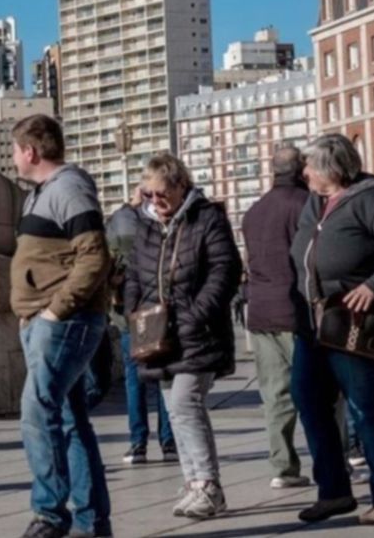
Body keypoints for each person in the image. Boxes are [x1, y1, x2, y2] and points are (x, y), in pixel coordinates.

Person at [288, 134, 374, 526]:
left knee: (367, 408)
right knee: (308, 398)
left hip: (353, 323)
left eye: (310, 166)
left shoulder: (371, 198)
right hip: (312, 325)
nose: (305, 173)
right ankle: (333, 490)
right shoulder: (315, 204)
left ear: (331, 169)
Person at [8, 115, 112, 538]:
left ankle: (50, 515)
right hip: (41, 320)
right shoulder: (41, 194)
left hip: (63, 321)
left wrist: (55, 310)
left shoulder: (69, 188)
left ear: (30, 152)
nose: (13, 158)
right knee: (70, 420)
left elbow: (94, 256)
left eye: (15, 150)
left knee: (37, 411)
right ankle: (92, 523)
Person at [124, 154, 241, 520]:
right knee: (174, 409)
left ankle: (208, 484)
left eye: (161, 194)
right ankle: (193, 482)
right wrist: (134, 312)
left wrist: (194, 315)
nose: (155, 202)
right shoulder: (146, 226)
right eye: (149, 195)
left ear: (180, 186)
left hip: (197, 333)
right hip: (157, 335)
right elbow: (134, 274)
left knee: (187, 403)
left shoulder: (206, 218)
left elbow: (225, 270)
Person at [241, 146, 312, 490]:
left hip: (260, 311)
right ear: (301, 169)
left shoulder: (254, 211)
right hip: (297, 311)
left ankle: (283, 467)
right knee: (321, 391)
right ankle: (335, 457)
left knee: (275, 394)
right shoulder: (306, 204)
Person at [106, 193, 175, 465]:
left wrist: (128, 204)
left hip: (128, 316)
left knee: (134, 381)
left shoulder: (120, 224)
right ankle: (169, 442)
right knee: (162, 378)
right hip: (158, 314)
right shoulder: (160, 224)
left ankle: (138, 444)